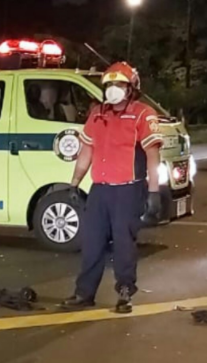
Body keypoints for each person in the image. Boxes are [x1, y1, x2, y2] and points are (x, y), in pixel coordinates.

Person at [60, 62, 164, 314]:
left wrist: (153, 191)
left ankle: (125, 292)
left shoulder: (143, 114)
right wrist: (74, 183)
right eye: (109, 85)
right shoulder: (97, 113)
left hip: (127, 191)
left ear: (131, 89)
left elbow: (152, 155)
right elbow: (87, 150)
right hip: (100, 189)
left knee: (123, 243)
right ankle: (84, 294)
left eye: (119, 84)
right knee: (92, 242)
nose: (113, 89)